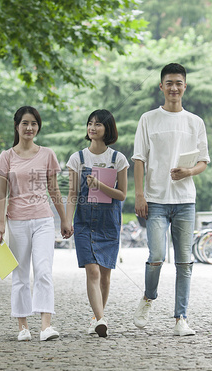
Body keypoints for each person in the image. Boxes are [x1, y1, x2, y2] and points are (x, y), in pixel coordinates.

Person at [131, 63, 210, 336]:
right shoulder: (148, 119)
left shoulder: (195, 122)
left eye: (179, 82)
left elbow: (203, 161)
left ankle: (181, 318)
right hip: (155, 201)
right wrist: (139, 195)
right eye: (169, 83)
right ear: (161, 87)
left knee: (184, 261)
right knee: (156, 256)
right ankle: (148, 297)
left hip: (185, 201)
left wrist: (188, 171)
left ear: (185, 86)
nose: (174, 87)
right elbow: (139, 160)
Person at [0, 106, 71, 342]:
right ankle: (23, 326)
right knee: (21, 275)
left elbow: (54, 189)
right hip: (16, 221)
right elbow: (1, 193)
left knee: (44, 271)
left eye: (34, 123)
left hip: (44, 220)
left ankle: (46, 326)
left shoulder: (47, 154)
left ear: (38, 127)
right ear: (17, 126)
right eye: (25, 123)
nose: (29, 128)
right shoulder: (6, 156)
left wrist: (64, 218)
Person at [65, 109, 129, 337]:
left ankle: (95, 317)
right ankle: (101, 319)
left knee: (105, 274)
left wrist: (100, 185)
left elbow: (122, 195)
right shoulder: (77, 158)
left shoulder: (118, 159)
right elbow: (72, 193)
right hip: (83, 221)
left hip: (108, 222)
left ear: (107, 129)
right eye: (90, 123)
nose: (92, 127)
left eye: (98, 124)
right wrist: (67, 220)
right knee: (92, 271)